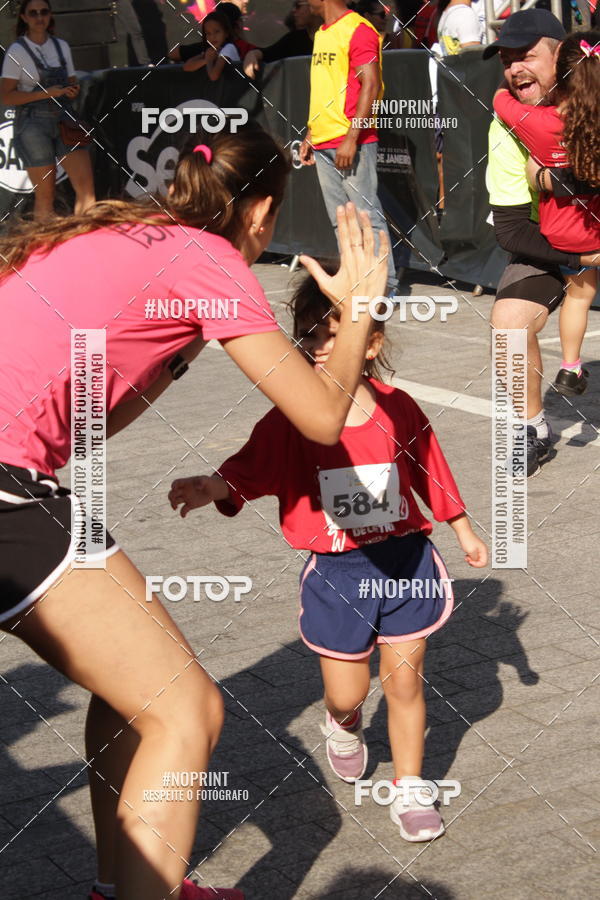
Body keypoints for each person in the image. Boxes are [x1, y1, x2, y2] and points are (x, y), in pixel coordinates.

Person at [0, 127, 389, 900]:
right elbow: (319, 417)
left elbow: (96, 420)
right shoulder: (207, 260)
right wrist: (359, 310)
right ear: (261, 213)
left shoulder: (123, 231)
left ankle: (130, 885)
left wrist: (175, 350)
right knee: (187, 711)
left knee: (130, 698)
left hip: (15, 482)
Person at [169, 267, 488, 843]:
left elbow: (428, 469)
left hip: (407, 562)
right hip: (338, 574)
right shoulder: (293, 417)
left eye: (329, 331)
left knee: (407, 685)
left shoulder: (400, 407)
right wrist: (211, 486)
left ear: (372, 342)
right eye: (306, 333)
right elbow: (252, 466)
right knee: (349, 692)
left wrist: (462, 528)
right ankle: (343, 724)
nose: (315, 345)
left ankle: (412, 786)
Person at [484, 8, 600, 476]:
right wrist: (581, 256)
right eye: (507, 59)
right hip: (555, 243)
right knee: (509, 325)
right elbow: (511, 230)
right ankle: (532, 428)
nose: (515, 68)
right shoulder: (507, 125)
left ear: (563, 56)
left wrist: (559, 178)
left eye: (526, 55)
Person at [300, 0, 397, 294]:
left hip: (351, 139)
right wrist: (310, 132)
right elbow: (325, 89)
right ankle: (356, 282)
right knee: (339, 220)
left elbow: (371, 83)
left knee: (366, 215)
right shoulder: (322, 32)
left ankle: (386, 287)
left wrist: (352, 138)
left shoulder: (359, 29)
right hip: (324, 140)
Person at [0, 0, 95, 219]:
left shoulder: (61, 45)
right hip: (33, 123)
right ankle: (43, 252)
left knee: (87, 190)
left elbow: (72, 81)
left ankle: (91, 245)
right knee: (45, 197)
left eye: (44, 12)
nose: (39, 17)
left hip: (66, 117)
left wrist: (72, 90)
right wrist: (45, 93)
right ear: (24, 17)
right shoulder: (17, 51)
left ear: (50, 15)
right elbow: (6, 95)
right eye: (33, 13)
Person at [243, 1, 322, 78]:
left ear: (314, 4)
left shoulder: (333, 36)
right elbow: (268, 53)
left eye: (298, 6)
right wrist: (252, 54)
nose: (293, 10)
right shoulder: (294, 39)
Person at [170, 3, 255, 64]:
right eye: (208, 33)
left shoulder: (206, 49)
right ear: (239, 23)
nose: (213, 36)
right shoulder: (248, 49)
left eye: (216, 32)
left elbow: (173, 54)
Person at [182, 10, 241, 78]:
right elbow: (186, 67)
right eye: (208, 33)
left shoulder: (229, 48)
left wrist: (209, 61)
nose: (212, 37)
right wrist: (205, 60)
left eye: (217, 32)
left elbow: (213, 76)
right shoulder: (212, 52)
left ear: (226, 33)